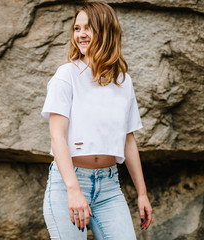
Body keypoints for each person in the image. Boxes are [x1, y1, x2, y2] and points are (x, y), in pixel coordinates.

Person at [41, 2, 152, 239]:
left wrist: (142, 193)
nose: (80, 34)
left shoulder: (123, 81)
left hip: (109, 187)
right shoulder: (66, 75)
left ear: (106, 32)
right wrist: (73, 189)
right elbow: (57, 136)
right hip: (67, 184)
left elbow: (128, 139)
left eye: (88, 28)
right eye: (76, 28)